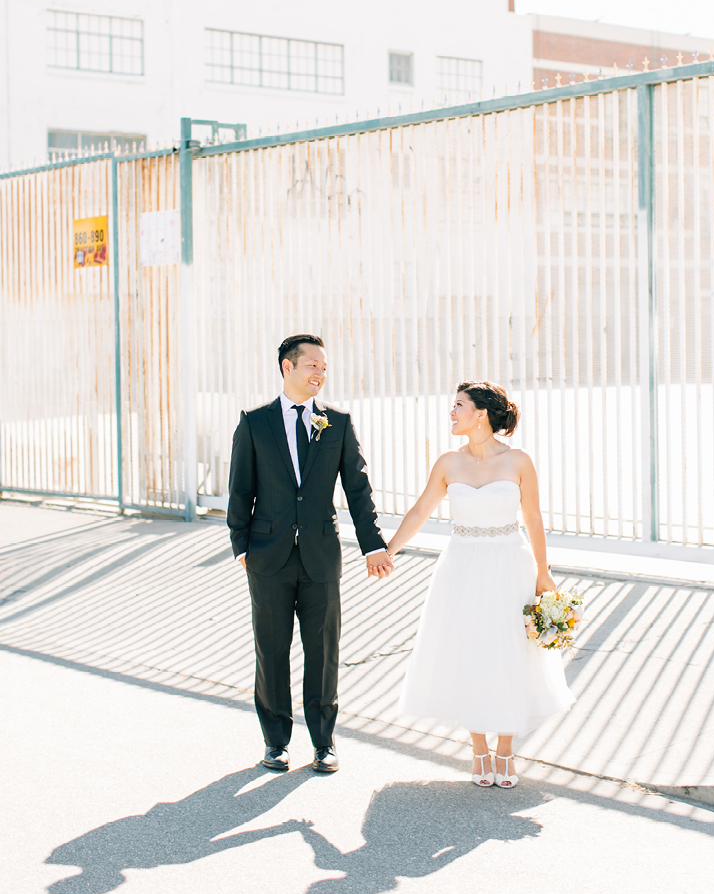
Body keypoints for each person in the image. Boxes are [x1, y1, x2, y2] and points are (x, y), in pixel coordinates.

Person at [386, 381, 576, 788]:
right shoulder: (448, 463)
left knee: (510, 652)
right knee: (467, 653)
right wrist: (389, 550)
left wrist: (543, 572)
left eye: (458, 406)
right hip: (462, 566)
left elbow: (534, 519)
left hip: (511, 562)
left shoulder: (519, 461)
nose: (451, 413)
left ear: (481, 414)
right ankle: (478, 750)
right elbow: (421, 510)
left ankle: (504, 750)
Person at [227, 334, 393, 774]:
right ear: (288, 367)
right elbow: (240, 489)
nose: (320, 373)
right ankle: (276, 742)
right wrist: (240, 546)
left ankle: (324, 743)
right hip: (267, 556)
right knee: (271, 649)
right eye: (312, 365)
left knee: (323, 650)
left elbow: (357, 488)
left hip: (320, 554)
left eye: (324, 366)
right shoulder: (254, 423)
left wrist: (372, 543)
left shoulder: (336, 423)